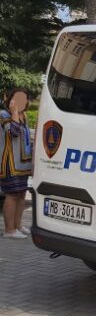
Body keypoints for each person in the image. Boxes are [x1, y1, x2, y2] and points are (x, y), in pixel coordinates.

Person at [0, 89, 33, 238]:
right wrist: (14, 112)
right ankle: (9, 230)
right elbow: (13, 132)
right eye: (18, 98)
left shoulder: (24, 116)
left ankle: (18, 225)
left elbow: (26, 140)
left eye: (24, 99)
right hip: (9, 163)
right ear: (11, 99)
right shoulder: (4, 115)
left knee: (21, 194)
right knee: (12, 194)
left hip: (23, 164)